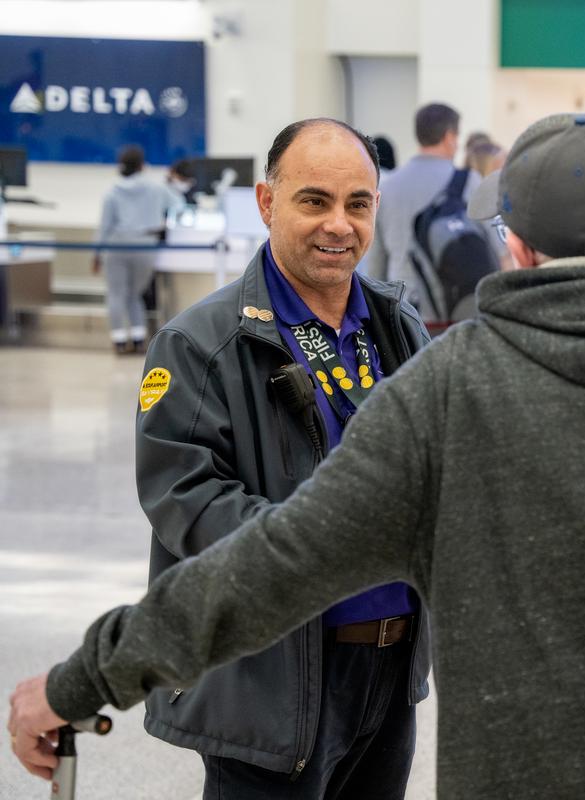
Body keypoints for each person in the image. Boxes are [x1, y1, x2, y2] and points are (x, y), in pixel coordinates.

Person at [8, 112, 585, 798]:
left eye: (357, 202)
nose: (340, 225)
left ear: (513, 243)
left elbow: (266, 570)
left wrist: (84, 678)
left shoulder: (452, 387)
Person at [112, 119, 433, 798]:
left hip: (389, 670)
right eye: (314, 201)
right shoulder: (201, 345)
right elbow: (190, 505)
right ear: (266, 202)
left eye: (357, 204)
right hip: (274, 683)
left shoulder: (396, 327)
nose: (338, 225)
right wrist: (325, 548)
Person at [362, 103, 478, 305]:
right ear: (449, 136)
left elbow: (376, 266)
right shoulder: (468, 182)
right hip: (457, 308)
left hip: (403, 309)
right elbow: (498, 252)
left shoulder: (387, 188)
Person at [94, 145, 181, 354]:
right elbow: (178, 203)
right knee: (135, 294)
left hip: (117, 245)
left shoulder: (112, 193)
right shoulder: (156, 189)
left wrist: (96, 253)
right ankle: (139, 338)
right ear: (142, 165)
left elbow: (105, 226)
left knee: (116, 294)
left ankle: (119, 341)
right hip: (146, 245)